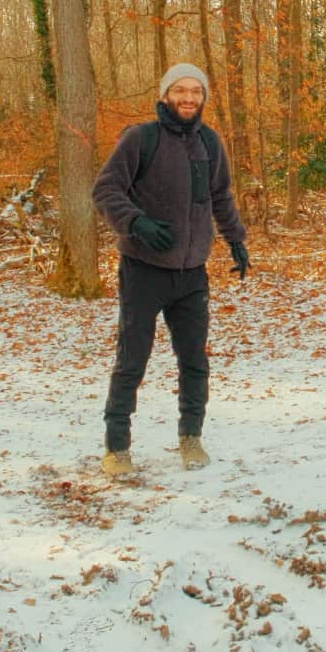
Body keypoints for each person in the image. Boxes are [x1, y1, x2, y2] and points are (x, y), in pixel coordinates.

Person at [91, 63, 249, 478]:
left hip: (192, 272)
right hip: (144, 269)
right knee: (132, 359)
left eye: (195, 91)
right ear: (165, 96)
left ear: (203, 98)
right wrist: (136, 222)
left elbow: (220, 196)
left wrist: (236, 239)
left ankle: (191, 437)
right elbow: (105, 189)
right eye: (180, 90)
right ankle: (117, 447)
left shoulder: (210, 143)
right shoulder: (141, 139)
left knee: (194, 360)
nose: (188, 98)